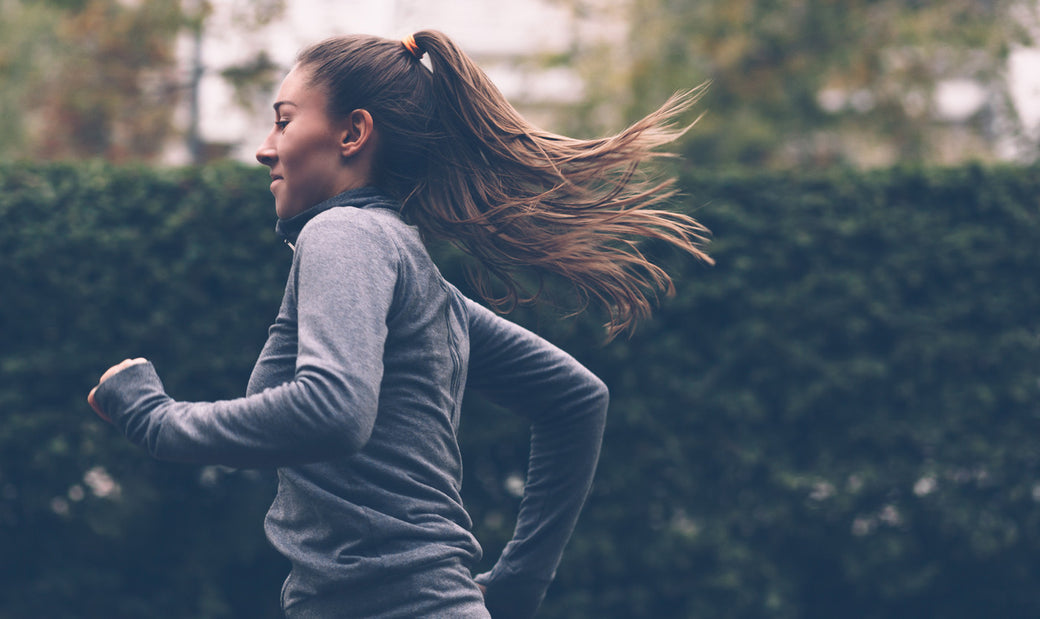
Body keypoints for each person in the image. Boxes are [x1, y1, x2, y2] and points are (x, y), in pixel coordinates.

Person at [87, 31, 712, 618]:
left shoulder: (342, 232)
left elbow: (332, 410)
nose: (264, 148)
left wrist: (157, 420)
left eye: (283, 120)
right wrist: (519, 584)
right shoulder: (413, 276)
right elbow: (576, 399)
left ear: (353, 133)